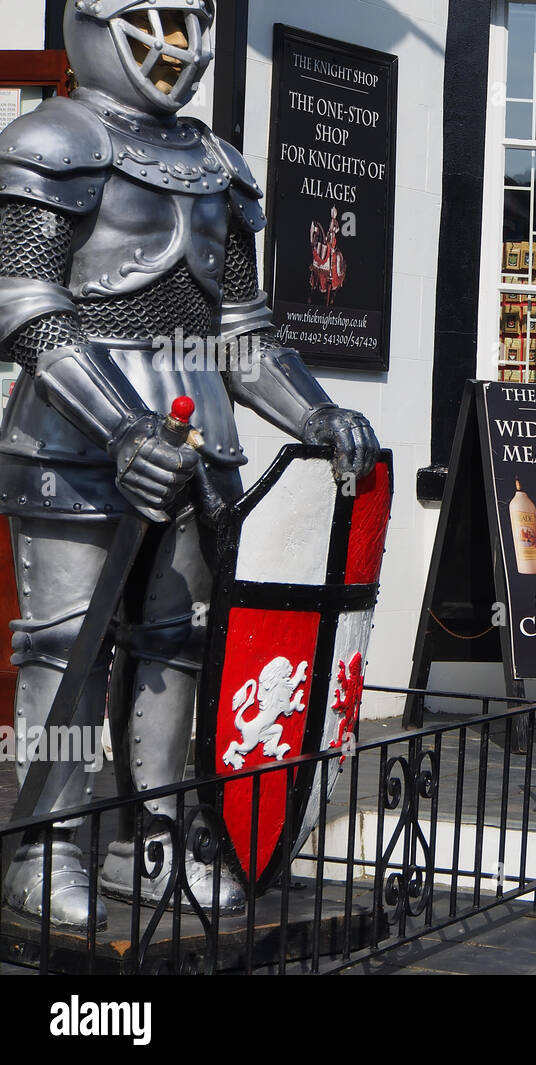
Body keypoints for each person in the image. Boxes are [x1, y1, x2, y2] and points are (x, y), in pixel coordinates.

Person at [0, 0, 379, 929]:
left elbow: (242, 338)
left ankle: (158, 835)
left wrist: (318, 411)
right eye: (158, 21)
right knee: (64, 646)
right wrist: (122, 431)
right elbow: (26, 307)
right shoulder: (49, 137)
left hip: (201, 442)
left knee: (180, 643)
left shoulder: (216, 164)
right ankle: (47, 844)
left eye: (192, 21)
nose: (180, 44)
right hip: (71, 435)